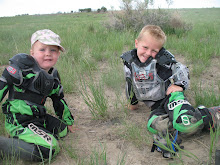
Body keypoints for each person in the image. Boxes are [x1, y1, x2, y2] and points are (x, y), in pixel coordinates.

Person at [120, 25, 220, 158]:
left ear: (160, 50)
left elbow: (181, 69)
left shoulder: (161, 62)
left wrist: (179, 85)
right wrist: (132, 103)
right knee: (154, 126)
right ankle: (187, 118)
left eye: (154, 50)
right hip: (156, 106)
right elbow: (130, 83)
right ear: (136, 43)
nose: (149, 53)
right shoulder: (129, 62)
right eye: (145, 47)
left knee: (185, 123)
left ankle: (211, 114)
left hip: (170, 98)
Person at [0, 29, 75, 161]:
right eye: (42, 49)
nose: (48, 54)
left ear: (58, 54)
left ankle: (29, 136)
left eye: (53, 50)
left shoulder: (53, 77)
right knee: (49, 149)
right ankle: (5, 145)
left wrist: (68, 121)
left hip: (37, 117)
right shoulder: (21, 69)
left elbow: (59, 100)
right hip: (19, 119)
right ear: (32, 52)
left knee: (62, 130)